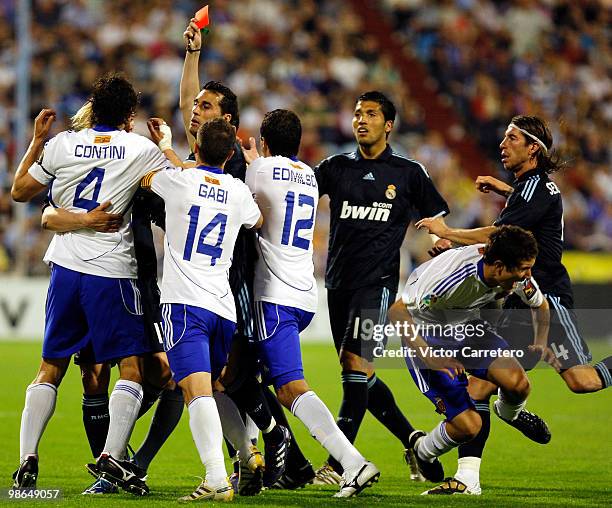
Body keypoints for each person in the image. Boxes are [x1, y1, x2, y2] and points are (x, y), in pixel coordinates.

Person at [416, 115, 612, 494]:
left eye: (512, 138)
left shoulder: (534, 190)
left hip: (547, 296)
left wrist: (448, 233)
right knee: (480, 383)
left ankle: (508, 413)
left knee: (581, 381)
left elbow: (498, 237)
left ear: (532, 148)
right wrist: (506, 190)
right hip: (512, 297)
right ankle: (467, 478)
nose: (503, 144)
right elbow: (527, 206)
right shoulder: (529, 187)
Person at [10, 73, 171, 495]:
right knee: (131, 369)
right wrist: (166, 142)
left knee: (50, 367)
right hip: (112, 272)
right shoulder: (140, 149)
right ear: (129, 116)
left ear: (92, 108)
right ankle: (112, 455)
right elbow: (184, 181)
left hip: (64, 268)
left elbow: (20, 191)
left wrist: (35, 142)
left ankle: (27, 456)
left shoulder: (62, 143)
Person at [178, 19, 311, 492]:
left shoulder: (230, 156)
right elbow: (185, 105)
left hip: (237, 277)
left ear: (228, 123)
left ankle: (274, 445)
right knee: (226, 377)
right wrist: (193, 55)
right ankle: (265, 461)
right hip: (221, 278)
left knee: (234, 375)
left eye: (206, 107)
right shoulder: (209, 147)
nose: (195, 111)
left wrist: (167, 163)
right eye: (196, 105)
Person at [313, 90, 450, 483]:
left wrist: (440, 241)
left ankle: (340, 464)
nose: (361, 120)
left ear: (388, 125)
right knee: (356, 372)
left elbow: (436, 218)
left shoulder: (408, 173)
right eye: (357, 113)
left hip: (378, 284)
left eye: (370, 114)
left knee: (356, 366)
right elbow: (298, 193)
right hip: (338, 283)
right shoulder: (335, 167)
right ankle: (413, 441)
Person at [242, 109, 380, 498]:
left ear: (265, 143)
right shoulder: (308, 175)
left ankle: (352, 462)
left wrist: (254, 163)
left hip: (274, 294)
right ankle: (255, 464)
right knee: (244, 375)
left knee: (288, 387)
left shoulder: (260, 169)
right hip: (304, 293)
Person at [141, 117, 263, 501]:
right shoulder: (239, 190)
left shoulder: (178, 179)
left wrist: (164, 146)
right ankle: (247, 453)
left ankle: (215, 477)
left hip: (184, 304)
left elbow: (148, 181)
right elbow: (256, 220)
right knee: (214, 386)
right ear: (230, 154)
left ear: (196, 149)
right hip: (223, 307)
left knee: (195, 391)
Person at [387, 225, 552, 488]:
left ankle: (509, 413)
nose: (527, 275)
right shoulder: (448, 281)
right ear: (498, 267)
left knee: (518, 384)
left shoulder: (514, 272)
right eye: (523, 269)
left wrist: (541, 343)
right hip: (428, 336)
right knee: (469, 427)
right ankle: (422, 451)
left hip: (467, 327)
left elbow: (541, 305)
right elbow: (397, 312)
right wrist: (430, 358)